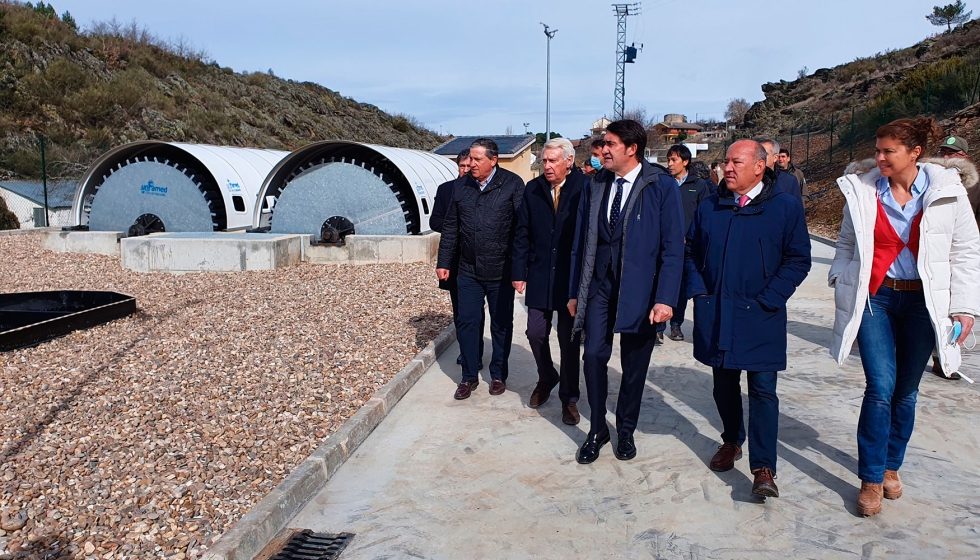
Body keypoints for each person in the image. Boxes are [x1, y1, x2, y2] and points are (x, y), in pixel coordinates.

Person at [829, 118, 980, 516]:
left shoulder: (948, 192)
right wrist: (840, 274)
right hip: (876, 298)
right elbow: (846, 243)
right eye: (877, 150)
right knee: (880, 387)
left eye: (888, 151)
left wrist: (964, 307)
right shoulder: (862, 191)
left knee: (906, 391)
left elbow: (966, 250)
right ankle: (872, 477)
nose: (878, 158)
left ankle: (892, 464)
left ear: (914, 153)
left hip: (922, 305)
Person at [685, 139, 811, 498]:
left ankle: (763, 467)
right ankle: (731, 440)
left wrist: (770, 298)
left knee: (763, 390)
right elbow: (690, 251)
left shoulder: (784, 207)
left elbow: (798, 259)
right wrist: (700, 291)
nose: (727, 167)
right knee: (723, 384)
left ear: (759, 166)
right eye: (726, 161)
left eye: (736, 162)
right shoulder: (711, 206)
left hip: (761, 314)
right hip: (718, 312)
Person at [568, 119, 685, 464]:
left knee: (634, 364)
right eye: (603, 144)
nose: (602, 150)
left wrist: (665, 298)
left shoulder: (660, 186)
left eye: (610, 144)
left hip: (641, 289)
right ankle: (597, 428)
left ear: (631, 149)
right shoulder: (595, 185)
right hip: (599, 286)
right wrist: (577, 291)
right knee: (592, 357)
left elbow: (673, 248)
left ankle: (627, 429)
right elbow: (580, 242)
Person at [437, 139, 525, 400]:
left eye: (477, 160)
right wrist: (443, 262)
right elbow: (451, 226)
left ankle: (498, 374)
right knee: (467, 321)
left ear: (493, 160)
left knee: (500, 324)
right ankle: (468, 376)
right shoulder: (461, 186)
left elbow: (521, 229)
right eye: (469, 160)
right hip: (468, 269)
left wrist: (520, 269)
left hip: (501, 269)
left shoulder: (511, 184)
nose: (471, 165)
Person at [512, 138, 587, 424]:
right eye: (544, 161)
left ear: (569, 161)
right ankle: (547, 376)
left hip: (570, 279)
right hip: (541, 273)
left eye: (553, 161)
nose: (547, 166)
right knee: (535, 332)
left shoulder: (585, 189)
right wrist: (518, 271)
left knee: (569, 341)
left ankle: (569, 398)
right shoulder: (533, 190)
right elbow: (522, 233)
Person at [929, 136, 978, 380]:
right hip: (934, 255)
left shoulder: (974, 185)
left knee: (955, 312)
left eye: (953, 153)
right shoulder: (929, 179)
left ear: (964, 157)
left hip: (959, 257)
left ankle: (944, 359)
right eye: (943, 152)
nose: (946, 157)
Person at [429, 149, 483, 370]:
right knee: (460, 309)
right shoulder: (446, 190)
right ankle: (466, 350)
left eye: (469, 166)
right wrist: (456, 230)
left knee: (475, 310)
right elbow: (435, 220)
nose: (466, 170)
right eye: (462, 166)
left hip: (476, 259)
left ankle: (476, 352)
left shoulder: (481, 191)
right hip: (454, 259)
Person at [659, 144, 712, 343]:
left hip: (686, 247)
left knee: (680, 287)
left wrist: (691, 237)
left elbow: (704, 216)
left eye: (674, 160)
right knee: (660, 284)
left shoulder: (699, 185)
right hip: (662, 245)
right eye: (668, 160)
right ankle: (658, 327)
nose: (670, 164)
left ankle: (675, 324)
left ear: (685, 162)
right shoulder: (662, 183)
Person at [757, 138, 804, 207]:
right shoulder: (748, 180)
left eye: (764, 154)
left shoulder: (789, 181)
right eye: (757, 154)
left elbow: (796, 209)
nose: (759, 157)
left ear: (775, 158)